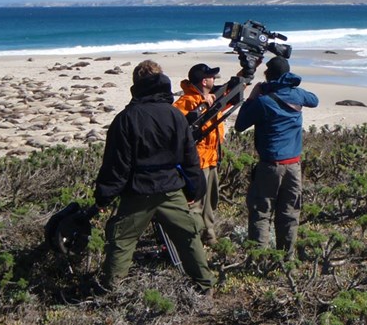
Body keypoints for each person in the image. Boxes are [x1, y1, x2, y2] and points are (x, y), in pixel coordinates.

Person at [94, 60, 215, 293]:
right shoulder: (175, 115)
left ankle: (113, 290)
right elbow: (190, 158)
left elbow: (116, 166)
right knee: (188, 239)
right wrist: (194, 190)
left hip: (138, 192)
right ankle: (205, 286)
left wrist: (104, 197)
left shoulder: (126, 118)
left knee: (122, 242)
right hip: (171, 189)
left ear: (136, 84)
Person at [234, 56, 319, 260]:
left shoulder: (263, 101)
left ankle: (258, 261)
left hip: (270, 166)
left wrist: (253, 97)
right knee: (289, 213)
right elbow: (314, 100)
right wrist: (292, 88)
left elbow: (239, 126)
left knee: (261, 212)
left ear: (267, 75)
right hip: (293, 167)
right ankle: (286, 259)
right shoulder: (297, 96)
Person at [173, 63, 226, 245]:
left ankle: (209, 235)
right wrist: (201, 108)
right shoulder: (185, 103)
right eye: (211, 77)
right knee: (196, 203)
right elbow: (179, 129)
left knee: (211, 200)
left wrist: (245, 74)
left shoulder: (211, 98)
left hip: (211, 159)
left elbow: (231, 96)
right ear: (204, 81)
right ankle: (192, 241)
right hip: (196, 161)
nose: (214, 79)